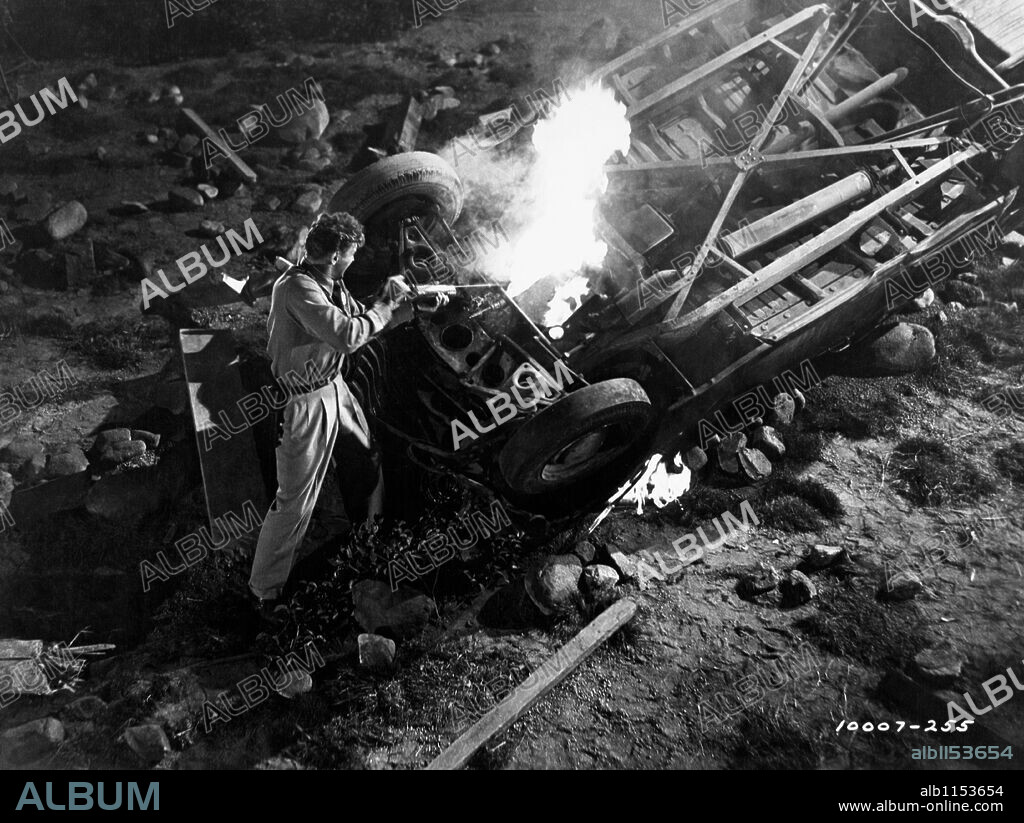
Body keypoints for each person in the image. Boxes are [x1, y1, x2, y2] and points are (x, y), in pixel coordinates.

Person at [248, 211, 414, 623]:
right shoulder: (298, 289)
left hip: (332, 387)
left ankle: (369, 540)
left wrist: (412, 302)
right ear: (337, 253)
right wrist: (386, 305)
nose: (355, 261)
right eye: (352, 254)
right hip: (302, 403)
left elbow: (360, 315)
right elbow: (346, 334)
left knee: (366, 453)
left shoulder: (329, 282)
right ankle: (263, 594)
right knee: (294, 502)